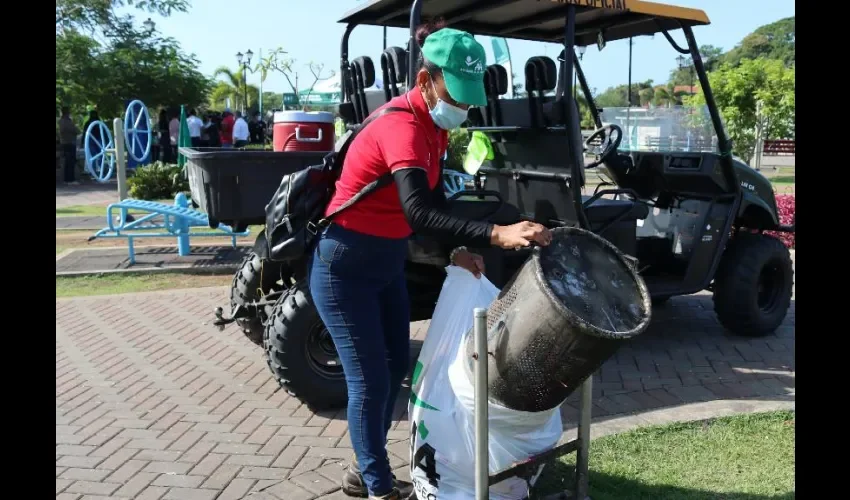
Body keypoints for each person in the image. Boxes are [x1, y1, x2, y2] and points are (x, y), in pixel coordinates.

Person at [309, 24, 551, 500]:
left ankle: (367, 467)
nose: (461, 108)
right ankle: (378, 487)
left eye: (467, 100)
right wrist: (495, 233)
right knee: (371, 382)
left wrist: (453, 251)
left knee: (398, 363)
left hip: (384, 263)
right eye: (454, 96)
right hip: (344, 267)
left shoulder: (433, 128)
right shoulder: (400, 124)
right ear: (424, 81)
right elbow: (416, 209)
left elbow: (433, 198)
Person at [58, 106, 80, 184]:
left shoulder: (66, 120)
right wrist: (73, 129)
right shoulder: (64, 121)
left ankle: (68, 179)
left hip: (69, 142)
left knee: (70, 161)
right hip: (68, 143)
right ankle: (70, 179)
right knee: (69, 161)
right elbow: (66, 130)